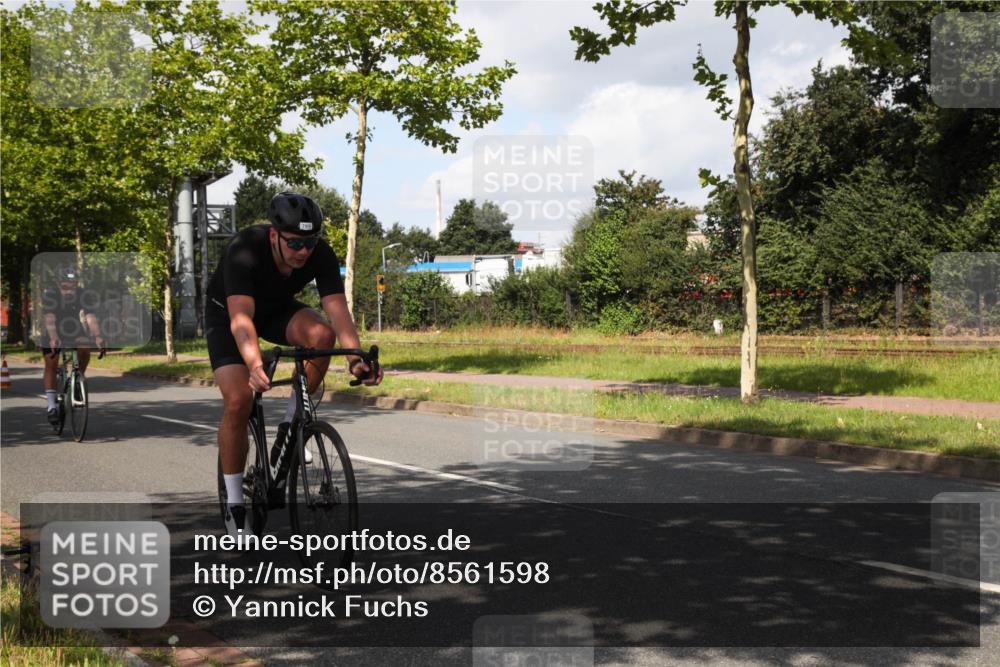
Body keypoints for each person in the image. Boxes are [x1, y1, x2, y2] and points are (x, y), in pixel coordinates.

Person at [205, 192, 382, 536]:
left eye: (310, 243)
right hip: (229, 314)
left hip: (275, 310)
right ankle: (235, 504)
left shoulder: (320, 254)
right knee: (239, 401)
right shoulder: (245, 249)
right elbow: (241, 318)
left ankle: (291, 423)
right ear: (275, 236)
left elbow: (337, 311)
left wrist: (356, 358)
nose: (304, 251)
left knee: (321, 335)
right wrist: (254, 363)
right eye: (296, 244)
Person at [41, 266, 105, 424]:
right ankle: (51, 407)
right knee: (51, 362)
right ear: (58, 284)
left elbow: (90, 316)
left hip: (73, 328)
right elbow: (49, 318)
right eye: (65, 286)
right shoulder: (50, 294)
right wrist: (54, 338)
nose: (69, 290)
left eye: (73, 286)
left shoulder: (83, 294)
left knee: (85, 347)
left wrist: (97, 336)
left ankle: (78, 379)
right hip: (52, 329)